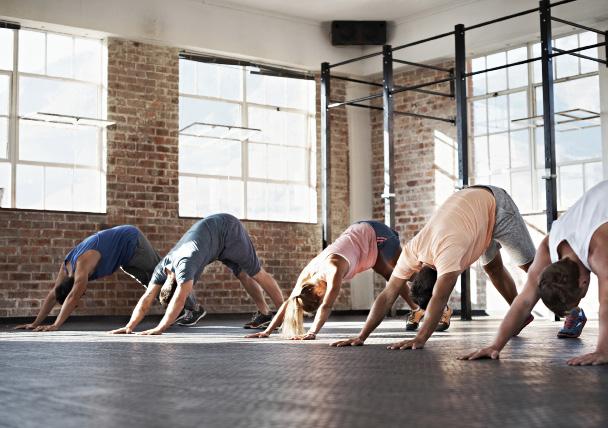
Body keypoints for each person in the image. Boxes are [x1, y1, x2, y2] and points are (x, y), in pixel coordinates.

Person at [332, 185, 536, 350]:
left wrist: (420, 339)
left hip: (496, 204)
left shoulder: (449, 253)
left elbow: (439, 298)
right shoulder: (412, 251)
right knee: (492, 268)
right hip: (472, 215)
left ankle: (569, 312)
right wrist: (361, 336)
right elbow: (388, 294)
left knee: (532, 268)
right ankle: (522, 315)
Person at [461, 180, 608, 366]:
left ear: (584, 284)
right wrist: (495, 346)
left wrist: (603, 351)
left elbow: (606, 303)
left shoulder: (598, 251)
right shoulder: (548, 247)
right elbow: (523, 302)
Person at [246, 220, 425, 340]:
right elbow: (289, 303)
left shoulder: (334, 269)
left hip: (377, 235)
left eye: (321, 298)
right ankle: (417, 309)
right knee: (393, 276)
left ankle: (432, 290)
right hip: (362, 241)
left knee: (407, 272)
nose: (325, 298)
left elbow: (327, 306)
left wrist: (312, 332)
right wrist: (267, 331)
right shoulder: (308, 274)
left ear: (317, 292)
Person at [109, 213, 283, 335]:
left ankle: (285, 314)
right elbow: (147, 298)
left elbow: (179, 299)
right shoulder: (162, 268)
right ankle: (265, 314)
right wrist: (129, 326)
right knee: (242, 274)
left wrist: (159, 328)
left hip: (228, 228)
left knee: (254, 273)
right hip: (212, 239)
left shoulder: (184, 266)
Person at [13, 225, 199, 331]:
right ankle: (183, 308)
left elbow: (72, 297)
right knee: (150, 284)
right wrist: (35, 323)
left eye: (81, 294)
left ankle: (195, 308)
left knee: (163, 274)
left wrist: (55, 325)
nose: (82, 295)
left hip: (132, 241)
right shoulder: (66, 268)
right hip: (124, 256)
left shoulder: (81, 268)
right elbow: (53, 295)